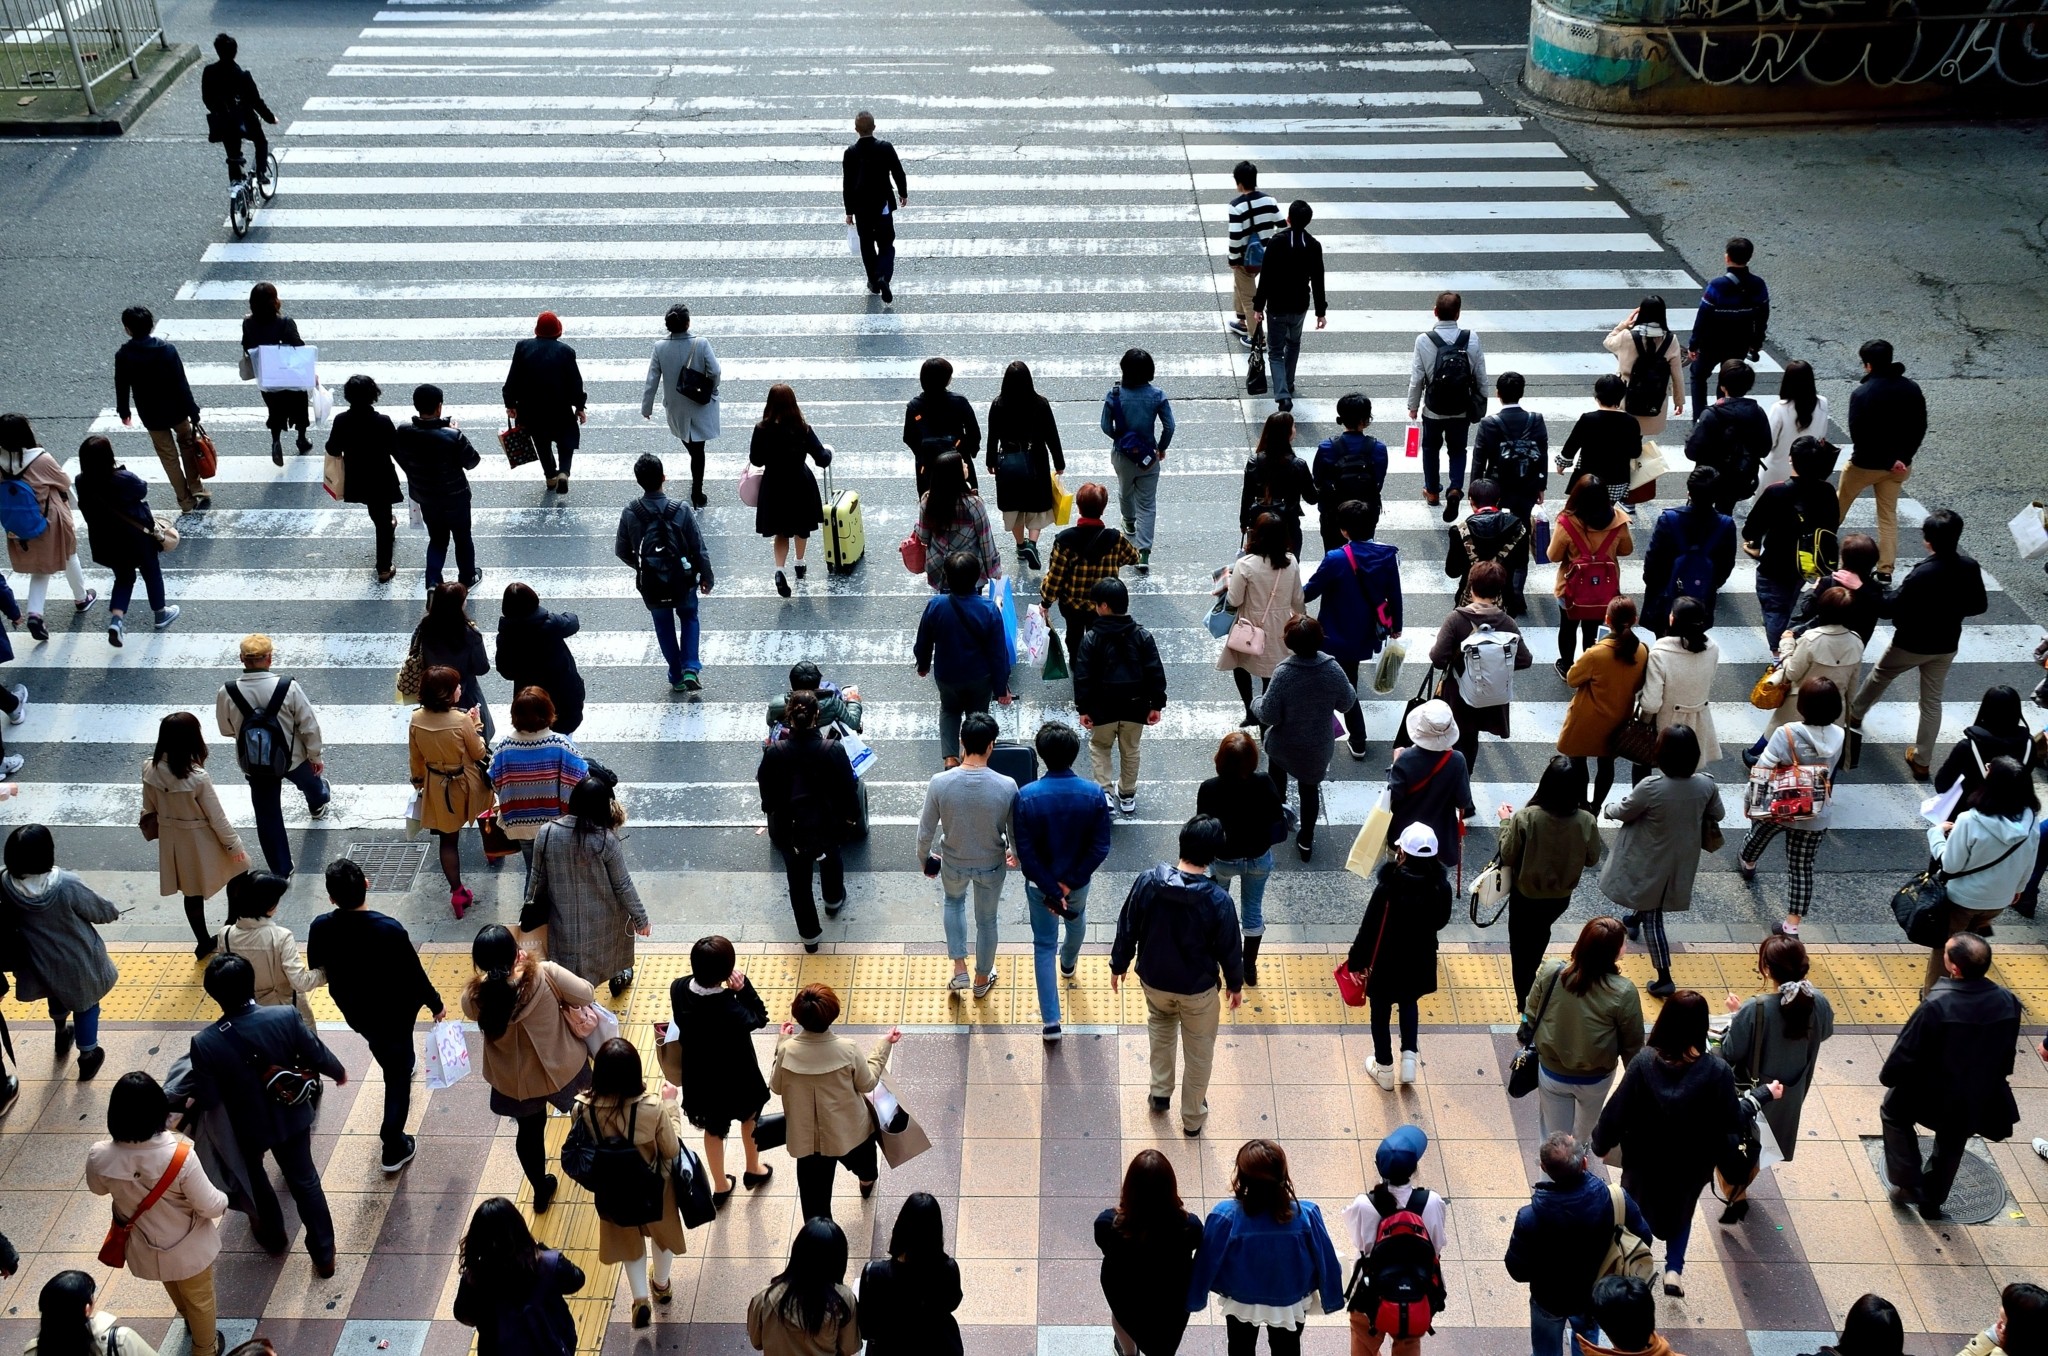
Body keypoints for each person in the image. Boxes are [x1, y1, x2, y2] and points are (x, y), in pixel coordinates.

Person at [1592, 990, 1769, 1297]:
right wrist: (1759, 1097)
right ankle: (1674, 1269)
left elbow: (1617, 1110)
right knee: (1682, 1210)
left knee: (1635, 1209)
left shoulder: (1644, 1062)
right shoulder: (1716, 1071)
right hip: (1692, 1164)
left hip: (1643, 1159)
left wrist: (1600, 1143)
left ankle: (1636, 1262)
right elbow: (1731, 1120)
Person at [187, 951, 347, 1272]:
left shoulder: (205, 1043)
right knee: (305, 1181)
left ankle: (273, 1235)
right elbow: (316, 1053)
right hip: (291, 1115)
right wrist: (337, 1071)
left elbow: (209, 1096)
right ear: (251, 983)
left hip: (245, 1127)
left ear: (214, 995)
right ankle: (324, 1253)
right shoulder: (285, 1016)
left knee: (255, 1179)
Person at [306, 857, 444, 1174]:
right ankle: (393, 1145)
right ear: (367, 884)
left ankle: (401, 1061)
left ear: (331, 898)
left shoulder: (321, 927)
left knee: (387, 1049)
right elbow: (414, 974)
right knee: (396, 1076)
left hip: (357, 1011)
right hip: (397, 1010)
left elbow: (318, 966)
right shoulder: (389, 929)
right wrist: (435, 1004)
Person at [1110, 816, 1244, 1136]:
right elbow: (1229, 947)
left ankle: (1160, 1092)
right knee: (1199, 1053)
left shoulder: (1148, 882)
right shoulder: (1218, 900)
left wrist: (1119, 963)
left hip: (1154, 980)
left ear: (1181, 843)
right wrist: (1235, 984)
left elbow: (1128, 924)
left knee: (1161, 1027)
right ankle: (1193, 1117)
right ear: (1212, 855)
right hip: (1198, 990)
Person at [1880, 931, 2023, 1219]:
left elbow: (1907, 1051)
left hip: (1929, 1091)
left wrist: (1890, 1076)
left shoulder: (1936, 1004)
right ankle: (1932, 1201)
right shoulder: (2008, 1001)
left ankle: (1908, 1183)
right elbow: (2007, 1054)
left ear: (1954, 967)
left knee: (1893, 1112)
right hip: (1976, 1093)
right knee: (1952, 1142)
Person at [88, 1072, 227, 1356]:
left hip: (144, 1243)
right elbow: (210, 1205)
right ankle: (206, 1349)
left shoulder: (99, 1155)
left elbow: (97, 1189)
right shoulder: (180, 1156)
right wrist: (226, 1198)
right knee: (201, 1300)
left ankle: (187, 1320)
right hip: (188, 1246)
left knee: (172, 1283)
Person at [1848, 509, 1988, 779]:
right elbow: (1979, 605)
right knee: (1931, 701)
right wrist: (1951, 610)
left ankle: (1855, 713)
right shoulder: (1969, 566)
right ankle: (1922, 760)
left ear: (1928, 540)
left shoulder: (1923, 573)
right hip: (1946, 644)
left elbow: (1888, 607)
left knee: (1881, 674)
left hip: (1911, 642)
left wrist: (1861, 586)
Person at [464, 924, 592, 1212]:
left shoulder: (476, 998)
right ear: (517, 953)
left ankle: (540, 1189)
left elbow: (470, 1008)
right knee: (590, 1116)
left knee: (529, 1133)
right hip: (564, 1068)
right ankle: (600, 1170)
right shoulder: (546, 974)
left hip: (516, 1083)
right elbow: (586, 994)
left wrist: (491, 978)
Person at [1186, 1138, 1345, 1356]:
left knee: (1240, 1348)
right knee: (1287, 1349)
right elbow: (1326, 1259)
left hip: (1241, 1298)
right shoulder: (1306, 1215)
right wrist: (1332, 1297)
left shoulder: (1226, 1216)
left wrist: (1195, 1298)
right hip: (1289, 1299)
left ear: (1242, 1177)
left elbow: (1207, 1260)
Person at [1600, 726, 1724, 998]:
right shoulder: (1706, 784)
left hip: (1650, 857)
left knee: (1653, 918)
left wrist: (1607, 810)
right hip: (1682, 857)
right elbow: (1718, 813)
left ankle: (1664, 976)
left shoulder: (1651, 787)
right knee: (1651, 899)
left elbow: (1624, 811)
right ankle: (1633, 919)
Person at [1506, 1132, 1655, 1356]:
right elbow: (1645, 1238)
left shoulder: (1530, 1218)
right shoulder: (1616, 1200)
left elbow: (1517, 1270)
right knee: (1587, 1344)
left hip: (1548, 1299)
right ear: (1584, 1163)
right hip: (1593, 1296)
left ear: (1545, 1169)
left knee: (1545, 1349)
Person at [1719, 933, 1834, 1221]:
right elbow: (1825, 1032)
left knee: (1736, 1139)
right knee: (1764, 1143)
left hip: (1755, 1091)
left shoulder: (1757, 1007)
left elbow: (1731, 1050)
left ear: (1767, 969)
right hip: (1791, 1092)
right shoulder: (1818, 1001)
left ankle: (1736, 1193)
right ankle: (1743, 1185)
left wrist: (1735, 1016)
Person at [573, 1038, 685, 1328]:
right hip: (655, 1186)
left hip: (612, 1189)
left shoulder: (583, 1110)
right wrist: (671, 1105)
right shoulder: (652, 1108)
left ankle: (640, 1300)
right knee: (663, 1236)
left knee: (627, 1242)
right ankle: (661, 1285)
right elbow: (671, 1149)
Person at [1013, 721, 1114, 1040]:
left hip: (1039, 887)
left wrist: (1052, 888)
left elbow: (1026, 853)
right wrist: (1069, 883)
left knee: (1044, 944)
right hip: (1078, 883)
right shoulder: (1094, 794)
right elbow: (1100, 846)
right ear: (1074, 753)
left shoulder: (1026, 796)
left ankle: (1051, 1022)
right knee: (1077, 919)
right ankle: (1069, 963)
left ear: (1042, 755)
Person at [768, 984, 901, 1221]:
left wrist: (782, 1042)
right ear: (832, 1014)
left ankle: (822, 1236)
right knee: (867, 1167)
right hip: (851, 1132)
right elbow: (868, 1083)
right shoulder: (847, 1049)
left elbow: (776, 1087)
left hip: (807, 1143)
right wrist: (883, 1045)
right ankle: (866, 1183)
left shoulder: (787, 1050)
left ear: (798, 1015)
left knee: (815, 1207)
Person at [1, 823, 118, 1081]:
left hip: (36, 960)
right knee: (86, 1003)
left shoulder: (5, 883)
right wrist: (113, 912)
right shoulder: (66, 884)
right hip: (76, 960)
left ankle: (61, 1032)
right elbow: (99, 911)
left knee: (55, 992)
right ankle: (88, 1055)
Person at [917, 711, 1017, 998]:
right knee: (987, 920)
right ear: (991, 745)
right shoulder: (1007, 785)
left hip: (953, 861)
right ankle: (982, 978)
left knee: (953, 903)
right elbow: (1014, 832)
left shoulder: (940, 782)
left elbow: (925, 831)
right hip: (991, 864)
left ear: (961, 741)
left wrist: (925, 859)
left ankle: (959, 968)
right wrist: (1015, 854)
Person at [215, 632, 329, 881]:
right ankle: (318, 802)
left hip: (256, 764)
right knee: (311, 782)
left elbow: (226, 729)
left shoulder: (227, 691)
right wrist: (315, 755)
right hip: (293, 757)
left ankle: (281, 868)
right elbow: (308, 724)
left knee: (267, 815)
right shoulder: (288, 687)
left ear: (242, 659)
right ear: (269, 658)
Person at [1737, 677, 1848, 933]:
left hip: (1780, 804)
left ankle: (1748, 863)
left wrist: (1749, 800)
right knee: (1801, 868)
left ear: (1803, 705)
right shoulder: (1840, 735)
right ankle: (1791, 927)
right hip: (1815, 810)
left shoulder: (1786, 732)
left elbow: (1763, 769)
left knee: (1758, 835)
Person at [668, 936, 773, 1205]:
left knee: (714, 1129)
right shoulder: (729, 1007)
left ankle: (721, 1185)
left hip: (700, 1075)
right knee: (750, 1117)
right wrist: (743, 988)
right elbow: (759, 1017)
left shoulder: (678, 988)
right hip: (738, 1074)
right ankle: (753, 1168)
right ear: (726, 972)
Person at [1349, 823, 1453, 1090]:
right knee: (1409, 1002)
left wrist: (1356, 961)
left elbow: (1369, 928)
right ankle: (1409, 1059)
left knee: (1380, 1011)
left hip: (1385, 962)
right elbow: (1441, 921)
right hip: (1420, 960)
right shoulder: (1441, 886)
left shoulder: (1388, 887)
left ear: (1403, 854)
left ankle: (1384, 1068)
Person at [1522, 917, 1642, 1143]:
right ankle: (1579, 1153)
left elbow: (1530, 1012)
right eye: (1623, 943)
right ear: (1614, 952)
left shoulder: (1552, 971)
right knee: (1585, 1130)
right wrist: (1636, 1083)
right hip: (1596, 1078)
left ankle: (1556, 1162)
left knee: (1554, 1138)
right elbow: (1632, 1045)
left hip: (1552, 1071)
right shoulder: (1623, 992)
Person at [1921, 758, 2039, 989]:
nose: (1985, 769)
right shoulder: (2030, 818)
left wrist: (1935, 833)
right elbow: (2030, 859)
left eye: (1988, 769)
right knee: (1975, 944)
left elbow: (1950, 865)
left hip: (1962, 900)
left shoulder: (1969, 820)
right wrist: (2019, 888)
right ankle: (1968, 989)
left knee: (1947, 947)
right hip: (1999, 900)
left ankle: (1934, 995)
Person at [1496, 758, 1604, 1008]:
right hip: (1559, 897)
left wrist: (1505, 821)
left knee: (1520, 949)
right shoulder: (1586, 820)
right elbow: (1592, 858)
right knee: (1540, 934)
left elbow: (1507, 855)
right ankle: (1531, 986)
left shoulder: (1526, 818)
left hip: (1525, 896)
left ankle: (1525, 1002)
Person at [757, 690, 861, 950]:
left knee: (798, 882)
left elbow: (767, 796)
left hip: (790, 828)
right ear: (817, 715)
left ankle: (810, 937)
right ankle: (833, 901)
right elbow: (848, 790)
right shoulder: (832, 749)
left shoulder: (775, 752)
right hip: (827, 825)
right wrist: (850, 819)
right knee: (831, 860)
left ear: (788, 716)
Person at [527, 776, 647, 993]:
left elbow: (537, 879)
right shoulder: (605, 840)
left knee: (569, 972)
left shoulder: (547, 833)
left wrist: (529, 910)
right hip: (603, 921)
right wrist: (641, 919)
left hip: (562, 920)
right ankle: (617, 977)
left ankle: (577, 998)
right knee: (603, 960)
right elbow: (622, 885)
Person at [142, 713, 248, 957]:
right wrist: (235, 846)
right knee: (240, 870)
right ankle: (229, 927)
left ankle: (203, 942)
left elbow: (148, 806)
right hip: (202, 838)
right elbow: (217, 818)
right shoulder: (197, 777)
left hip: (172, 840)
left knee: (191, 891)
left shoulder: (149, 768)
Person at [1302, 498, 1401, 757]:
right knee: (1348, 680)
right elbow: (1394, 594)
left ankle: (1351, 736)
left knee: (1328, 683)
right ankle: (1356, 738)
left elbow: (1310, 592)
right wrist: (1396, 626)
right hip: (1364, 634)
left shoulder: (1335, 558)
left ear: (1344, 530)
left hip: (1332, 634)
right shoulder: (1387, 555)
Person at [1255, 615, 1359, 860]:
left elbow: (1268, 714)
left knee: (1276, 777)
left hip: (1284, 743)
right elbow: (1347, 702)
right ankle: (1306, 839)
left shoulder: (1284, 673)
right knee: (1309, 790)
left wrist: (1255, 702)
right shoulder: (1332, 669)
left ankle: (1278, 818)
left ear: (1289, 642)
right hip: (1317, 746)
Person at [1341, 1125, 1448, 1356]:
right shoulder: (1432, 1201)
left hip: (1370, 1291)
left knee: (1363, 1342)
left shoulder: (1363, 1204)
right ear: (1414, 1168)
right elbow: (1437, 1246)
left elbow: (1360, 1244)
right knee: (1408, 1344)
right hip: (1415, 1291)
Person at [616, 452, 715, 693]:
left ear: (638, 481)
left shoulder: (631, 512)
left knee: (663, 625)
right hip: (683, 579)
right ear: (663, 477)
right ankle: (691, 668)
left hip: (651, 583)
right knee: (689, 617)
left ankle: (676, 676)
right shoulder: (680, 509)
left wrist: (643, 566)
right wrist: (706, 576)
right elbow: (698, 547)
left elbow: (622, 550)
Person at [1196, 732, 1288, 988]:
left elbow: (1203, 826)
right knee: (1253, 911)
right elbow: (1276, 817)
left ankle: (1215, 963)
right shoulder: (1264, 782)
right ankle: (1249, 967)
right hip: (1257, 857)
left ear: (1220, 759)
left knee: (1216, 910)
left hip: (1223, 859)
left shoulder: (1209, 788)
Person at [1428, 559, 1532, 778]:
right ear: (1499, 591)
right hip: (1491, 697)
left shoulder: (1457, 619)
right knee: (1470, 741)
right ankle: (1464, 784)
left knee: (1455, 739)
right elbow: (1525, 659)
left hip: (1459, 695)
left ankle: (1449, 783)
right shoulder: (1507, 623)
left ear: (1471, 586)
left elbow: (1438, 659)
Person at [1097, 1149, 1205, 1356]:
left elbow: (1104, 1246)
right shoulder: (1189, 1226)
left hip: (1124, 1290)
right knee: (1166, 1337)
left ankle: (1129, 1353)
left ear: (1129, 1188)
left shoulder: (1107, 1224)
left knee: (1121, 1317)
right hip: (1171, 1295)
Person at [408, 665, 495, 918]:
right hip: (467, 782)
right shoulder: (461, 720)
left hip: (438, 785)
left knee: (448, 840)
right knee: (486, 813)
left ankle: (457, 892)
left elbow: (416, 757)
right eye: (455, 686)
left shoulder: (416, 719)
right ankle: (493, 851)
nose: (460, 689)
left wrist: (418, 782)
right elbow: (478, 752)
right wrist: (476, 725)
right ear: (445, 693)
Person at [73, 435, 177, 645]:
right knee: (151, 572)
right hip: (136, 538)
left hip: (105, 540)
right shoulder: (123, 478)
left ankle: (117, 619)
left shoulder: (81, 481)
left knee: (123, 578)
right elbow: (142, 489)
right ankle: (160, 613)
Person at [0, 415, 96, 642]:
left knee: (41, 567)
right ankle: (81, 598)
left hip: (18, 524)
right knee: (69, 554)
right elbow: (64, 482)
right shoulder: (40, 459)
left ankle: (36, 613)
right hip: (49, 521)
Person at [1075, 575, 1167, 814]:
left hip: (1102, 707)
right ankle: (1127, 795)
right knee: (1131, 749)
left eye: (1097, 604)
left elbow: (1083, 676)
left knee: (1100, 747)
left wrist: (1083, 708)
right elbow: (1155, 672)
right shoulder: (1142, 636)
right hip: (1135, 707)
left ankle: (1104, 792)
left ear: (1104, 606)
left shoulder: (1091, 638)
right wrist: (1156, 704)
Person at [1743, 434, 1843, 652]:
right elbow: (1832, 525)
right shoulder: (1827, 491)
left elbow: (1751, 529)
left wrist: (1752, 540)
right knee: (1790, 599)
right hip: (1807, 562)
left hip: (1775, 563)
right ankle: (1786, 635)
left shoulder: (1777, 491)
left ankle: (1779, 653)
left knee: (1774, 610)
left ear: (1791, 459)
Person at [914, 551, 1013, 767]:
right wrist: (1001, 688)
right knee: (977, 716)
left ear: (947, 578)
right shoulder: (988, 609)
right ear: (977, 577)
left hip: (947, 674)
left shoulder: (936, 605)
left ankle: (950, 757)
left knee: (949, 710)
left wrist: (923, 664)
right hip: (980, 676)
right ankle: (971, 755)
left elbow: (923, 640)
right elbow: (999, 654)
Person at [452, 1196, 585, 1356]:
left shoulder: (474, 1277)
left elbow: (463, 1314)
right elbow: (577, 1280)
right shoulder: (547, 1263)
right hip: (552, 1344)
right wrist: (539, 1247)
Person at [1841, 339, 1928, 581]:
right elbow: (1920, 426)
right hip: (1899, 467)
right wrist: (1902, 459)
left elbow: (1860, 435)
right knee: (1888, 517)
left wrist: (1888, 459)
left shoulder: (1862, 393)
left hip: (1866, 465)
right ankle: (1885, 570)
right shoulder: (1911, 388)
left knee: (1838, 507)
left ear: (1868, 365)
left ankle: (1822, 549)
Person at [114, 305, 208, 513]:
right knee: (188, 445)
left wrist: (124, 411)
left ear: (127, 329)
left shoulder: (124, 355)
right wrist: (193, 410)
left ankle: (185, 500)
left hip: (151, 414)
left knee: (168, 457)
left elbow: (122, 385)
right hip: (177, 409)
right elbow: (181, 382)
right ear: (151, 325)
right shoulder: (167, 350)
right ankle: (196, 487)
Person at [1750, 588, 1861, 762]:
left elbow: (1792, 673)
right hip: (1834, 704)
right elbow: (1853, 683)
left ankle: (1758, 757)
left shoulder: (1811, 639)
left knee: (1778, 734)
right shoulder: (1856, 641)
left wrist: (1787, 644)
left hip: (1802, 700)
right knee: (1825, 751)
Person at [1559, 596, 1647, 812]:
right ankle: (1596, 806)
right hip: (1619, 719)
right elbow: (1639, 684)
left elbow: (1572, 679)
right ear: (1635, 619)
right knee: (1606, 765)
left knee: (1578, 761)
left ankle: (1582, 804)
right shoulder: (1641, 651)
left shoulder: (1596, 653)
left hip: (1587, 718)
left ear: (1607, 620)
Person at [391, 383, 483, 591]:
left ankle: (433, 582)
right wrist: (455, 431)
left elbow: (402, 457)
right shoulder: (453, 436)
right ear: (439, 407)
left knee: (438, 539)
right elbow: (472, 461)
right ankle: (467, 577)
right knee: (462, 537)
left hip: (426, 497)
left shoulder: (404, 432)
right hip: (456, 497)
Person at [1218, 513, 1306, 726]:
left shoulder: (1245, 564)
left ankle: (1250, 711)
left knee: (1241, 665)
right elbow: (1297, 599)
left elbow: (1235, 600)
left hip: (1249, 625)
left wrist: (1226, 582)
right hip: (1280, 625)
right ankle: (1266, 714)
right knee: (1271, 672)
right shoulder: (1291, 562)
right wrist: (1302, 620)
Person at [1407, 291, 1485, 516]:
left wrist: (1413, 406)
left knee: (1430, 448)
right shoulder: (1471, 338)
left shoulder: (1424, 340)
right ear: (1458, 314)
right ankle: (1455, 488)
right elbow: (1480, 374)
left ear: (1435, 312)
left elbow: (1417, 377)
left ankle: (1432, 491)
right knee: (1458, 450)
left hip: (1433, 408)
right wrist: (1480, 403)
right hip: (1461, 407)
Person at [489, 686, 588, 863]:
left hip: (521, 824)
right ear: (548, 710)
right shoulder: (561, 745)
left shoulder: (504, 748)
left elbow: (495, 782)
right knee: (556, 870)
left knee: (533, 869)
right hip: (556, 825)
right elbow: (581, 780)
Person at [857, 1194, 963, 1356]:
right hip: (939, 1347)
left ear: (900, 1228)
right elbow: (952, 1303)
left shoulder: (873, 1273)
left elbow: (866, 1328)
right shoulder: (949, 1270)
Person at [751, 382, 831, 597]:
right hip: (800, 484)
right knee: (801, 528)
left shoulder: (762, 429)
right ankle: (800, 562)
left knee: (781, 531)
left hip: (773, 486)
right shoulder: (802, 429)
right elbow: (822, 459)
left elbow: (756, 460)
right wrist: (829, 453)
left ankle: (779, 570)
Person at [1042, 480, 1138, 657]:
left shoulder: (1065, 540)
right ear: (1103, 509)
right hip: (1103, 604)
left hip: (1073, 604)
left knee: (1074, 637)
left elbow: (1055, 577)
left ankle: (1076, 662)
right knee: (1101, 639)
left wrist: (1045, 602)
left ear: (1079, 508)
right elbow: (1133, 557)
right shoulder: (1114, 538)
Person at [1549, 475, 1634, 675]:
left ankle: (1567, 666)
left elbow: (1553, 556)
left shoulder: (1567, 523)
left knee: (1568, 628)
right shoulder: (1618, 522)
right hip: (1604, 590)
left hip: (1570, 589)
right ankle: (1589, 668)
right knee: (1592, 630)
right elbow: (1626, 550)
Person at [986, 360, 1065, 570]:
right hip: (1036, 460)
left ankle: (1021, 546)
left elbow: (992, 436)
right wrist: (1059, 462)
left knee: (1014, 506)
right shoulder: (1040, 404)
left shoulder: (998, 405)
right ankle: (1032, 543)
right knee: (1036, 504)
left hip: (1009, 462)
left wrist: (991, 461)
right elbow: (1052, 435)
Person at [1251, 199, 1328, 414]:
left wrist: (1258, 306)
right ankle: (1289, 383)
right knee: (1293, 343)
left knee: (1275, 351)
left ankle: (1282, 394)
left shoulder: (1277, 242)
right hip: (1300, 306)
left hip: (1277, 306)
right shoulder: (1313, 245)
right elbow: (1318, 280)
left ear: (1288, 219)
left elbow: (1266, 276)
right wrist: (1320, 312)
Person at [1101, 347, 1175, 571]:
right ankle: (1143, 553)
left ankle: (1129, 522)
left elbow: (1105, 426)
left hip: (1122, 456)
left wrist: (1122, 440)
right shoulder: (1157, 395)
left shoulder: (1114, 395)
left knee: (1125, 490)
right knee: (1147, 503)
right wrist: (1161, 447)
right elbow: (1170, 426)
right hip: (1148, 456)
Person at [641, 303, 720, 507]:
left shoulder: (660, 347)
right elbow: (715, 371)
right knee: (698, 449)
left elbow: (652, 380)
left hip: (676, 407)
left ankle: (697, 488)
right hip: (699, 403)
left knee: (693, 446)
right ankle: (697, 492)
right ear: (687, 323)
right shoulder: (701, 344)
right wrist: (712, 388)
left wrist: (647, 407)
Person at [327, 375, 403, 582]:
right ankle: (384, 568)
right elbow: (397, 450)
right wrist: (414, 473)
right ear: (373, 394)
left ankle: (388, 525)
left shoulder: (341, 420)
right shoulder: (383, 421)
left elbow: (332, 448)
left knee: (377, 513)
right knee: (382, 521)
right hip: (381, 477)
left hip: (357, 477)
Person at [1685, 235, 1770, 420]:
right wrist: (1756, 342)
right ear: (1749, 257)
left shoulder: (1717, 286)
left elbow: (1703, 317)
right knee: (1727, 381)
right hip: (1740, 342)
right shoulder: (1758, 285)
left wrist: (1693, 344)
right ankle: (1722, 418)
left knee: (1698, 376)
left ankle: (1700, 419)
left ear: (1727, 257)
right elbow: (1763, 316)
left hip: (1711, 343)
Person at [218, 870, 320, 1023]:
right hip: (285, 1012)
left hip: (247, 1015)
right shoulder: (281, 937)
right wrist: (324, 973)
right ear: (269, 905)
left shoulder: (225, 935)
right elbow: (300, 982)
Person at [1640, 467, 1737, 629]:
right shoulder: (1725, 525)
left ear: (1689, 493)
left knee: (1663, 636)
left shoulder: (1669, 520)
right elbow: (1725, 565)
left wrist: (1654, 586)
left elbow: (1653, 560)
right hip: (1700, 597)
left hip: (1665, 596)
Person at [503, 311, 587, 494]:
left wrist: (510, 404)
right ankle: (564, 471)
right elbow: (575, 382)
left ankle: (550, 476)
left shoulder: (523, 347)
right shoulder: (566, 352)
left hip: (530, 409)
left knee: (541, 441)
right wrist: (580, 406)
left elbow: (513, 377)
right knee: (566, 438)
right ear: (558, 331)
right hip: (559, 407)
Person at [750, 1217, 862, 1355]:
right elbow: (849, 1347)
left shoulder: (764, 1298)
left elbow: (756, 1342)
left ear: (797, 1252)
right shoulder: (843, 1300)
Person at [1387, 701, 1475, 876]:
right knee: (1435, 879)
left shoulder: (1405, 758)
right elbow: (1463, 801)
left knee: (1398, 876)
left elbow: (1395, 794)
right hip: (1439, 834)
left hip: (1404, 831)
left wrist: (1394, 765)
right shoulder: (1457, 760)